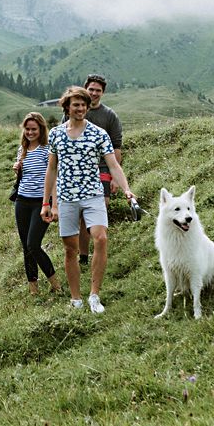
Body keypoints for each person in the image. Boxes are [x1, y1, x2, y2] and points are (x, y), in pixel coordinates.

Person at [41, 86, 135, 313]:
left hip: (93, 194)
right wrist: (47, 203)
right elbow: (52, 169)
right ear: (67, 107)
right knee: (70, 249)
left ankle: (94, 295)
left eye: (84, 104)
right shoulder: (55, 134)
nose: (81, 108)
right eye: (76, 105)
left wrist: (127, 189)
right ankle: (76, 298)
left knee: (101, 238)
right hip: (66, 198)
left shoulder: (98, 133)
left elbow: (113, 164)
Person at [12, 112, 61, 295]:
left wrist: (52, 203)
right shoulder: (21, 150)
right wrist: (18, 169)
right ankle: (33, 289)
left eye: (34, 129)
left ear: (41, 129)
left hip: (41, 202)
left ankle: (55, 284)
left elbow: (54, 177)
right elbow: (25, 178)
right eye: (27, 129)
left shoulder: (47, 149)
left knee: (33, 244)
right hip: (22, 201)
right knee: (26, 246)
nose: (30, 133)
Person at [77, 73, 123, 266]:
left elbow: (116, 148)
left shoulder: (110, 116)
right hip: (78, 169)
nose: (94, 93)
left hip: (102, 168)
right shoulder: (76, 111)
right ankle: (83, 257)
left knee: (99, 210)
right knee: (81, 216)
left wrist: (115, 178)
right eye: (91, 89)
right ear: (85, 89)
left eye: (98, 90)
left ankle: (99, 251)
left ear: (103, 93)